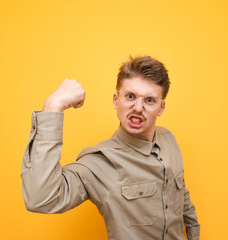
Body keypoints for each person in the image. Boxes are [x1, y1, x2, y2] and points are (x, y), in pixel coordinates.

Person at [21, 56, 200, 240]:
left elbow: (182, 196)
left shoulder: (168, 139)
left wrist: (194, 234)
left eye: (149, 100)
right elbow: (39, 199)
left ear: (161, 108)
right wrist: (53, 107)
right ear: (116, 100)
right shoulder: (100, 162)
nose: (138, 108)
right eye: (130, 96)